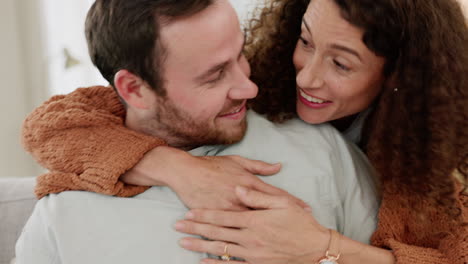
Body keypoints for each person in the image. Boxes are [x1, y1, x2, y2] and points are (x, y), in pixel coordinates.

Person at [20, 0, 467, 263]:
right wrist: (176, 168)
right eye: (305, 42)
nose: (249, 85)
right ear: (134, 90)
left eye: (341, 63)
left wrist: (322, 248)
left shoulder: (336, 155)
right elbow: (53, 124)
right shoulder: (65, 216)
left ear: (400, 76)